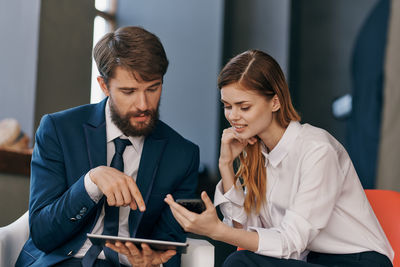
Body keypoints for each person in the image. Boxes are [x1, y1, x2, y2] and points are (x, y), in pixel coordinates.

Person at [165, 49, 394, 267]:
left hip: (358, 262)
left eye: (244, 107)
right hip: (310, 260)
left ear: (275, 102)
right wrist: (226, 165)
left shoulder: (317, 150)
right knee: (241, 261)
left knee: (240, 263)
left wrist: (216, 231)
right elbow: (244, 235)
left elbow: (290, 242)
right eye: (227, 106)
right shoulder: (260, 153)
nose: (233, 116)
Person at [16, 26, 199, 267]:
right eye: (128, 91)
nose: (143, 104)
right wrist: (90, 183)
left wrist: (155, 261)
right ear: (104, 86)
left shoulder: (182, 154)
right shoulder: (59, 130)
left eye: (153, 89)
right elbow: (42, 232)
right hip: (61, 261)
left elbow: (170, 244)